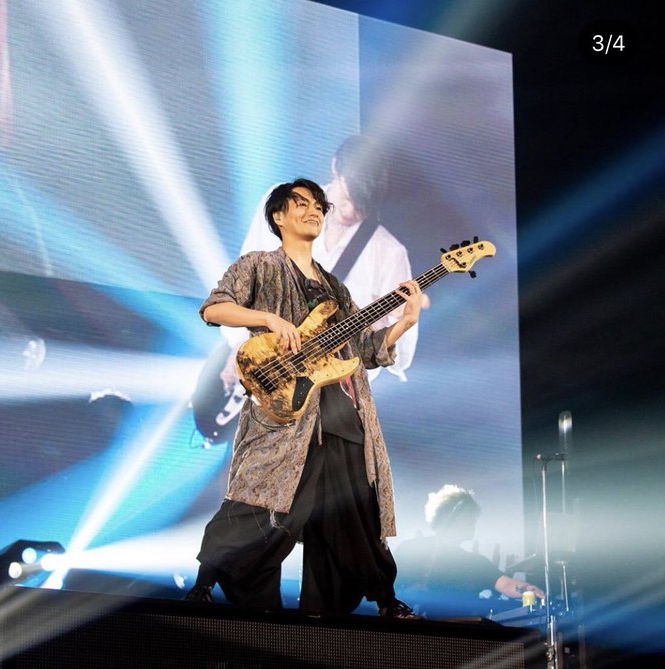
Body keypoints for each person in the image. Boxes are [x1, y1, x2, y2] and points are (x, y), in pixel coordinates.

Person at [185, 178, 423, 618]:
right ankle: (205, 584)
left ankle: (381, 601)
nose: (314, 211)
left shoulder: (336, 289)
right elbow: (214, 308)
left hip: (341, 411)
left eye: (318, 206)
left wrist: (404, 322)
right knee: (257, 503)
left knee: (356, 510)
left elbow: (365, 350)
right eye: (302, 204)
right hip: (285, 410)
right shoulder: (260, 265)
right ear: (278, 216)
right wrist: (269, 319)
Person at [205, 136, 420, 436]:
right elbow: (243, 285)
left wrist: (400, 322)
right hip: (257, 363)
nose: (349, 212)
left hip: (329, 404)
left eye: (361, 209)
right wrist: (240, 349)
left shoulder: (388, 253)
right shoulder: (283, 207)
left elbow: (400, 358)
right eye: (346, 199)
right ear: (335, 167)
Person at [395, 485, 544, 619]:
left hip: (461, 635)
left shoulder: (475, 562)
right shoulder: (411, 550)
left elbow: (505, 584)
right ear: (448, 517)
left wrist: (526, 588)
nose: (473, 524)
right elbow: (389, 589)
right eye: (469, 518)